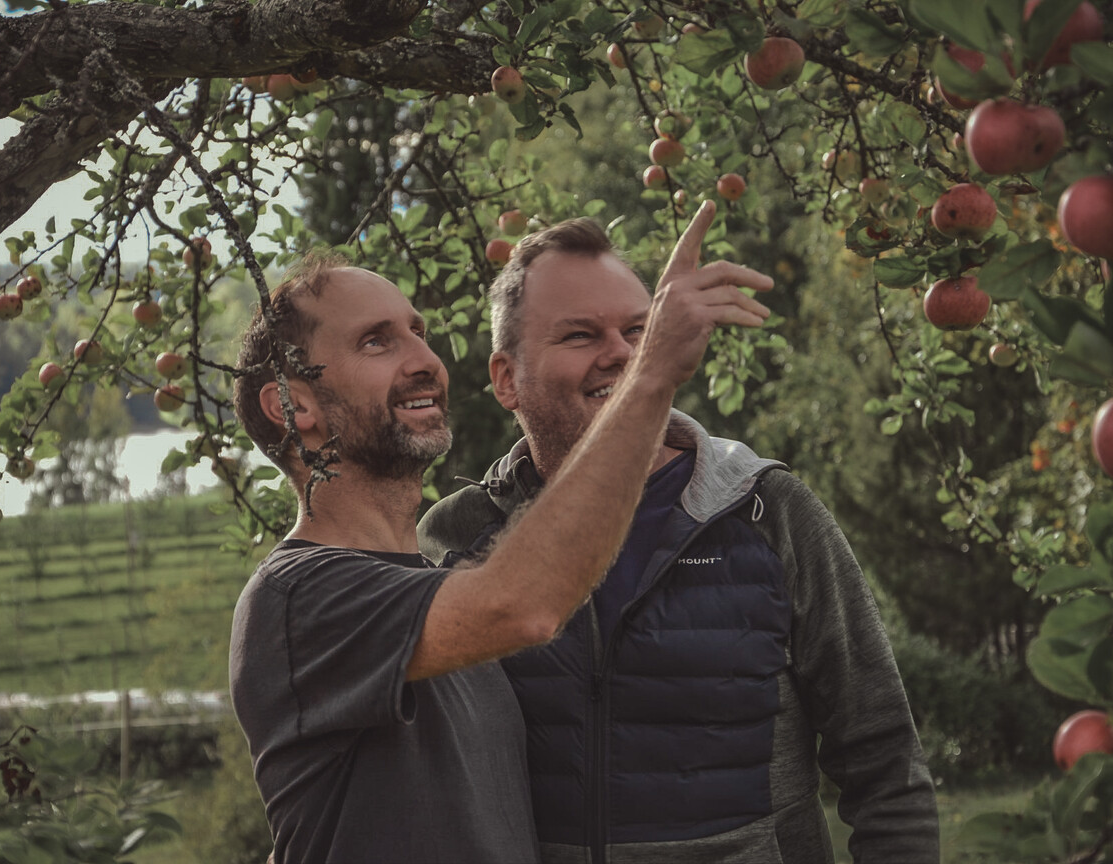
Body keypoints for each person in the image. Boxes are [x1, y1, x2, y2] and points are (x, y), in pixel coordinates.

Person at [228, 200, 775, 863]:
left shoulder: (440, 582)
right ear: (293, 406)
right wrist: (650, 370)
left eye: (417, 331)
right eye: (377, 340)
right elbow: (528, 604)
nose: (424, 358)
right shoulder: (300, 598)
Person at [418, 216, 941, 863]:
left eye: (641, 331)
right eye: (581, 335)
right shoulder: (455, 536)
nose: (624, 354)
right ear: (505, 379)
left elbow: (884, 758)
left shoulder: (768, 512)